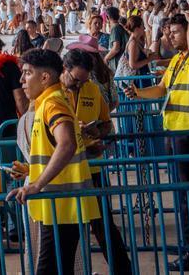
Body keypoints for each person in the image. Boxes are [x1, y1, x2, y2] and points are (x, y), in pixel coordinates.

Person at [123, 12, 189, 270]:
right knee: (183, 197)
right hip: (174, 133)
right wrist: (138, 93)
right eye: (169, 32)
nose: (169, 36)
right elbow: (162, 89)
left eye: (175, 31)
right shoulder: (177, 60)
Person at [6, 50, 100, 275]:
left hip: (62, 206)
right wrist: (31, 170)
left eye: (27, 73)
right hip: (58, 206)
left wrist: (36, 184)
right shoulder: (48, 103)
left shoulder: (52, 104)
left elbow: (66, 145)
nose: (22, 80)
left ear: (45, 77)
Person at [61, 50, 132, 275]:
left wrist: (96, 131)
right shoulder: (52, 94)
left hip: (93, 169)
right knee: (67, 232)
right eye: (76, 80)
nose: (80, 85)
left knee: (104, 226)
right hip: (65, 173)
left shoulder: (92, 89)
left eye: (84, 80)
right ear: (65, 70)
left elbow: (106, 125)